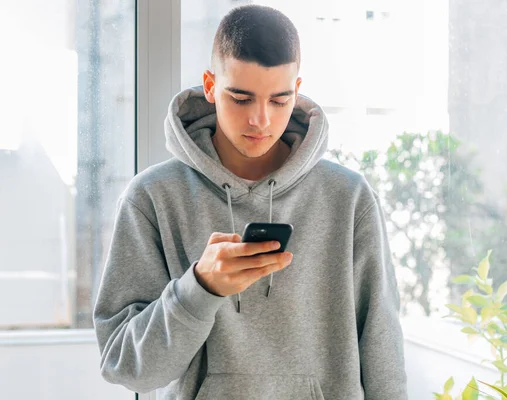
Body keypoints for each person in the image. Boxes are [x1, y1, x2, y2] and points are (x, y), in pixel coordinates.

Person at [93, 4, 407, 400]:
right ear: (210, 85)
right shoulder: (152, 198)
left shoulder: (349, 198)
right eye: (241, 98)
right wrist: (199, 289)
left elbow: (383, 350)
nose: (260, 120)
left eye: (278, 100)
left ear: (297, 90)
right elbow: (126, 367)